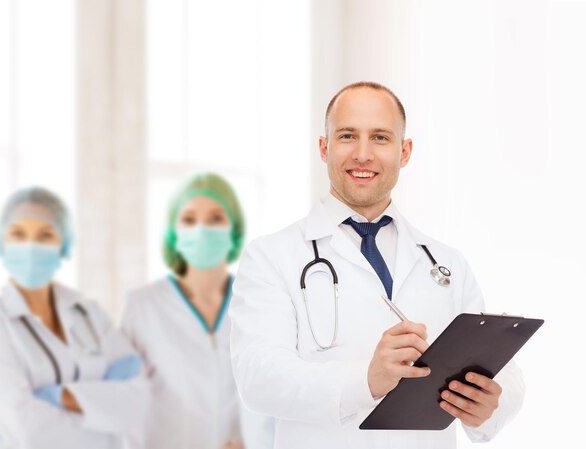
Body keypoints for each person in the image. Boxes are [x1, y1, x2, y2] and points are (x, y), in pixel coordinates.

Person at [229, 82, 525, 448]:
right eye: (348, 135)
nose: (363, 154)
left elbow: (504, 370)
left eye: (381, 138)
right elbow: (259, 380)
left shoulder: (446, 263)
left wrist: (490, 406)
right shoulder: (271, 257)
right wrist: (366, 381)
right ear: (324, 148)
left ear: (405, 152)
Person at [0, 187, 150, 449]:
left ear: (63, 244)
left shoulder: (88, 312)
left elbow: (136, 402)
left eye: (45, 235)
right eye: (18, 234)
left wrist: (58, 397)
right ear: (1, 243)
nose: (31, 246)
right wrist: (102, 412)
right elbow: (28, 431)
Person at [121, 173, 274, 449]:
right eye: (189, 219)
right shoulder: (142, 307)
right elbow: (125, 407)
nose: (202, 229)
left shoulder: (257, 302)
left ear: (234, 229)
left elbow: (274, 393)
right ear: (173, 232)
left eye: (216, 218)